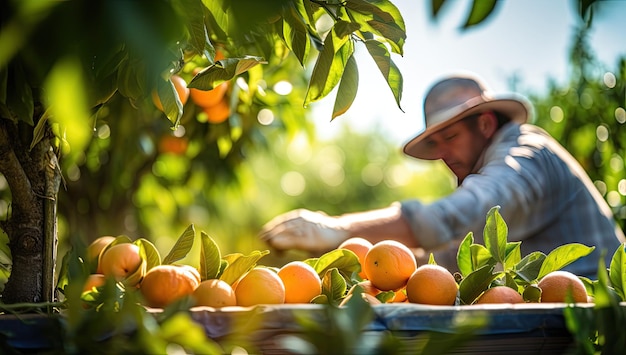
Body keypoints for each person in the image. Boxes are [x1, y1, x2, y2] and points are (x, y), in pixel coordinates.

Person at [259, 72, 625, 278]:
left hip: (601, 328)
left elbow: (466, 211)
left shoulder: (526, 155)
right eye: (435, 145)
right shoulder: (495, 163)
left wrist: (337, 228)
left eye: (449, 138)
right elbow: (452, 257)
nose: (443, 156)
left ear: (484, 123)